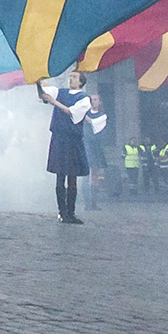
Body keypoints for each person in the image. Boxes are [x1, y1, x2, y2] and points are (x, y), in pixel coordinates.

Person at [44, 74, 106, 223]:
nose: (70, 79)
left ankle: (70, 213)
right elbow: (46, 91)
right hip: (59, 138)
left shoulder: (84, 98)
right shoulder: (61, 92)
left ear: (81, 82)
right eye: (70, 76)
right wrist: (38, 78)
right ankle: (62, 212)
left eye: (74, 77)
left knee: (72, 177)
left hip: (72, 140)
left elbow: (73, 112)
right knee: (60, 177)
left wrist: (54, 102)